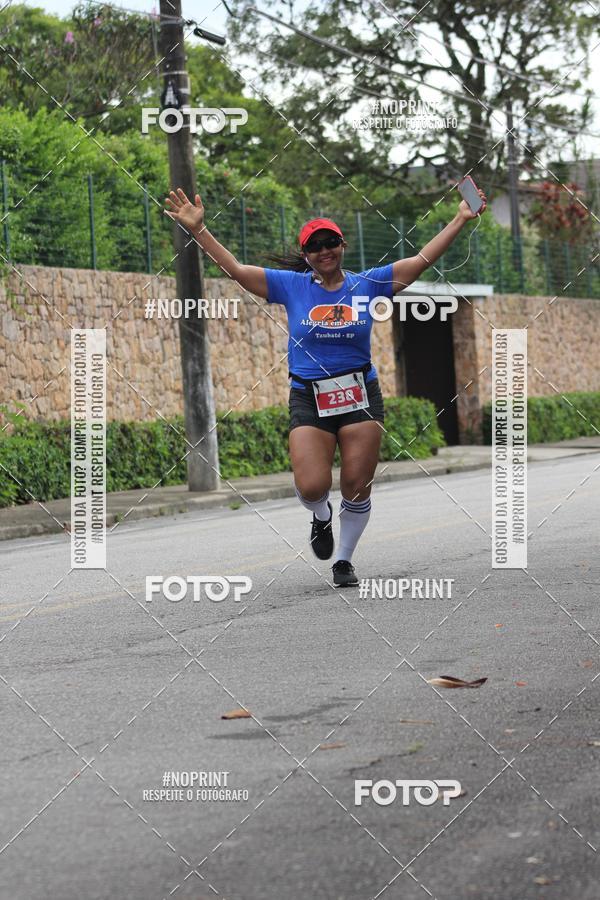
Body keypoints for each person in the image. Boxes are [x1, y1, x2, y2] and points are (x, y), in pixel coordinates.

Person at [164, 187, 487, 587]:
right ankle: (320, 517)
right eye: (314, 246)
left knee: (356, 483)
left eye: (330, 242)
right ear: (306, 255)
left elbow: (421, 260)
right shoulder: (291, 286)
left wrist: (458, 219)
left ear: (342, 245)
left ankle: (344, 561)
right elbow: (235, 270)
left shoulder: (369, 284)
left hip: (359, 394)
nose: (323, 250)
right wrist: (199, 231)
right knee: (312, 485)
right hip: (308, 395)